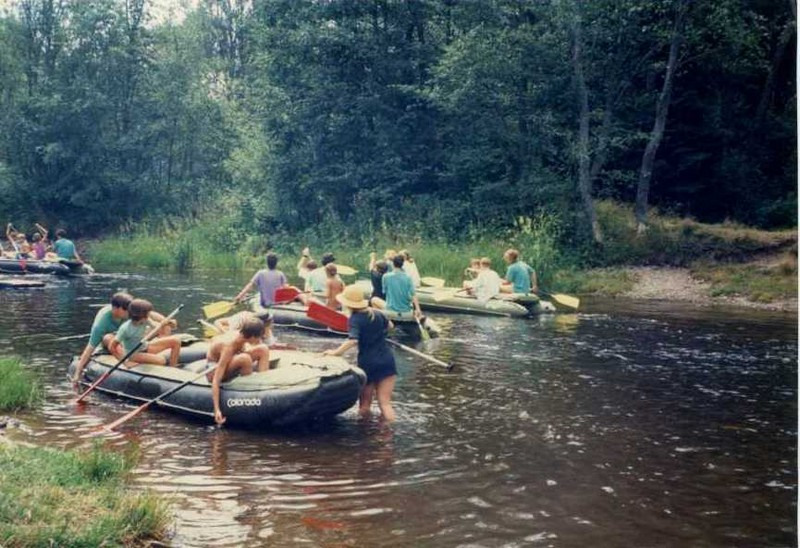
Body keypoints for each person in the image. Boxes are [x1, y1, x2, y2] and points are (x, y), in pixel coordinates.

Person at [323, 285, 397, 422]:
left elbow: (353, 340)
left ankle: (364, 432)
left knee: (364, 406)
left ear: (348, 304)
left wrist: (336, 352)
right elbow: (391, 326)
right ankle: (390, 432)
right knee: (385, 403)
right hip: (387, 360)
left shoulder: (355, 319)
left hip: (369, 363)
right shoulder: (377, 313)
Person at [208, 317, 270, 425]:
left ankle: (263, 384)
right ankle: (249, 390)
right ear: (252, 336)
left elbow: (243, 348)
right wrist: (217, 410)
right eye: (259, 337)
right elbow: (216, 380)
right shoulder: (228, 347)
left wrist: (243, 350)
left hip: (231, 360)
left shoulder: (242, 337)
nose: (260, 339)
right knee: (244, 359)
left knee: (263, 349)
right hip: (213, 369)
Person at [72, 292, 134, 382]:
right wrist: (77, 374)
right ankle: (126, 360)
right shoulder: (101, 323)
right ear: (115, 308)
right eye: (125, 309)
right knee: (108, 338)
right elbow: (90, 348)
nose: (129, 312)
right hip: (109, 343)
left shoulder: (129, 314)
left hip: (124, 339)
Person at [109, 299, 182, 367]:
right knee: (162, 361)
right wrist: (125, 362)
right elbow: (112, 347)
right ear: (141, 316)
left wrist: (168, 323)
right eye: (147, 314)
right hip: (133, 354)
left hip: (145, 346)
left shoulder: (145, 320)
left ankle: (173, 367)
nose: (149, 315)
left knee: (176, 341)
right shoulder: (125, 328)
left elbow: (156, 327)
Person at [214, 311, 278, 347]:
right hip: (232, 333)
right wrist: (225, 332)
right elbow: (217, 321)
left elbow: (270, 344)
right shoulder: (240, 319)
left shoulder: (267, 326)